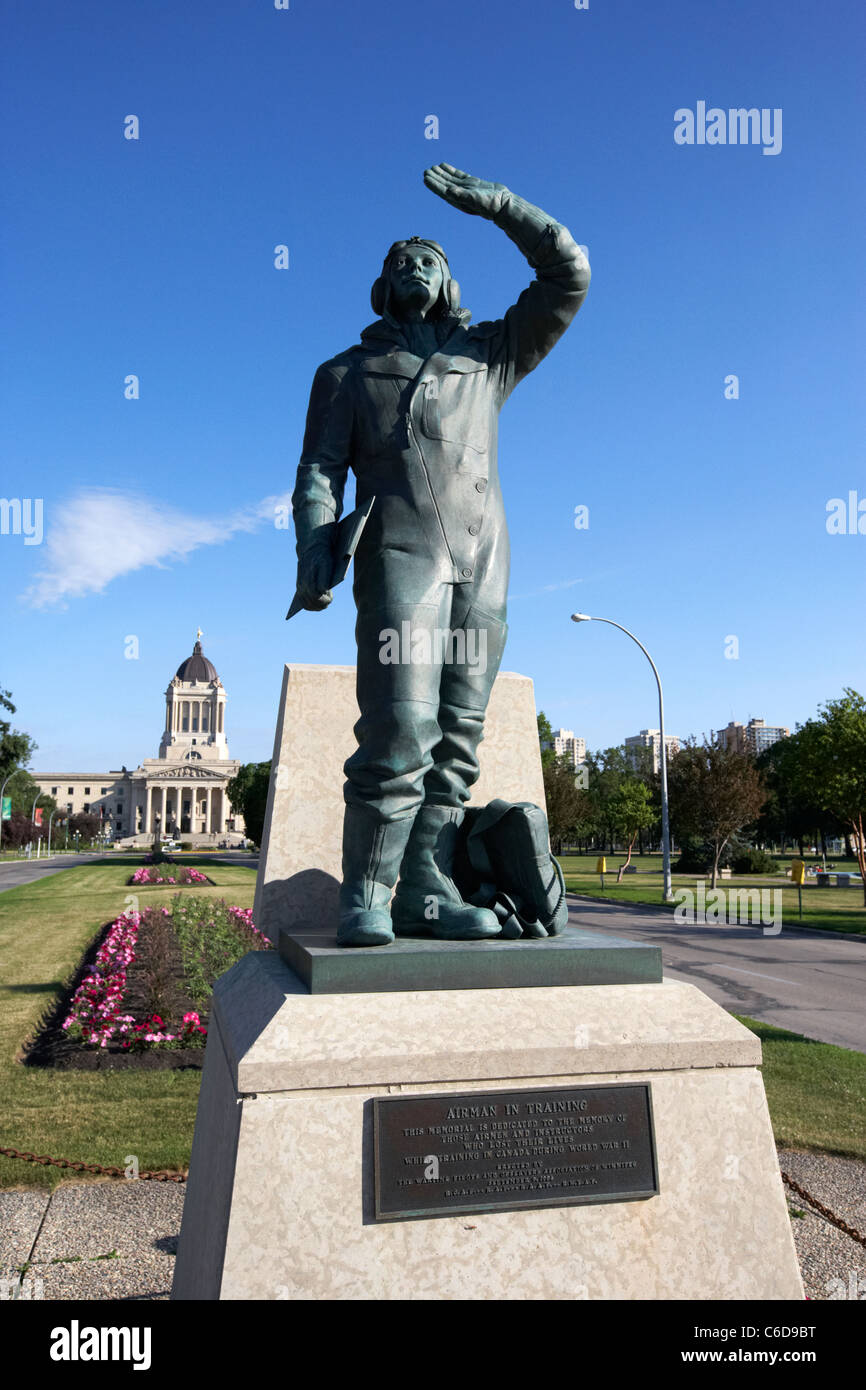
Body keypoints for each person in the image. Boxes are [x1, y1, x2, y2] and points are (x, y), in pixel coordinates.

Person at [292, 164, 590, 946]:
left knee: (458, 736)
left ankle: (425, 886)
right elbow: (320, 470)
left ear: (450, 282)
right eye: (401, 264)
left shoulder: (491, 356)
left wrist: (495, 206)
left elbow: (568, 274)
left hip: (484, 561)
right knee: (400, 727)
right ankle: (368, 892)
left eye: (429, 260)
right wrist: (316, 547)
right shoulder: (347, 373)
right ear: (382, 289)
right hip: (399, 555)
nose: (415, 269)